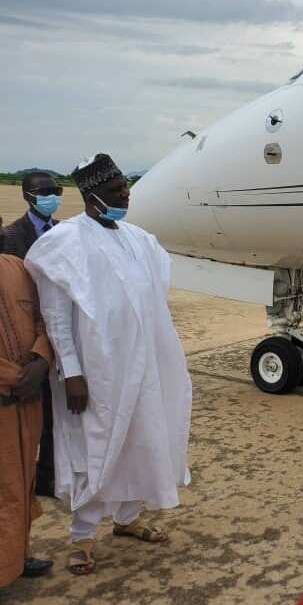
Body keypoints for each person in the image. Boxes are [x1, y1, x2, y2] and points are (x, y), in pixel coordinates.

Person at [25, 154, 192, 576]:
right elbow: (57, 316)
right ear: (91, 194)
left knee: (143, 439)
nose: (126, 194)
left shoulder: (139, 239)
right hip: (96, 371)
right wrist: (73, 372)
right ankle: (81, 538)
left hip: (145, 366)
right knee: (96, 448)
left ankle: (127, 519)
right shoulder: (65, 242)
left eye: (125, 186)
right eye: (117, 189)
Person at [2, 171, 63, 499]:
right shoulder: (10, 236)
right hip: (28, 338)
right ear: (27, 196)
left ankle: (49, 477)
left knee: (58, 413)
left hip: (59, 331)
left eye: (56, 190)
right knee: (30, 414)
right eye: (44, 192)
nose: (52, 197)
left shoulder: (65, 231)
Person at [0, 254, 55, 587]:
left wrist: (41, 359)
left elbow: (43, 319)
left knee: (21, 481)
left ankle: (15, 557)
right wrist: (13, 378)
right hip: (9, 393)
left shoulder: (19, 268)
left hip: (26, 399)